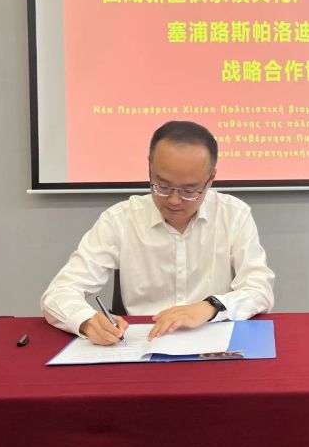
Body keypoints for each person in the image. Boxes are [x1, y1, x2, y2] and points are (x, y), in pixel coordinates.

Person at [41, 120, 275, 345]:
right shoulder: (119, 219)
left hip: (212, 342)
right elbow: (59, 293)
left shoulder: (233, 215)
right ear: (150, 169)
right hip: (141, 345)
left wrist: (210, 306)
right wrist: (86, 321)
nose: (174, 200)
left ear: (211, 179)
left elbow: (259, 289)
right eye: (163, 186)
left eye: (189, 190)